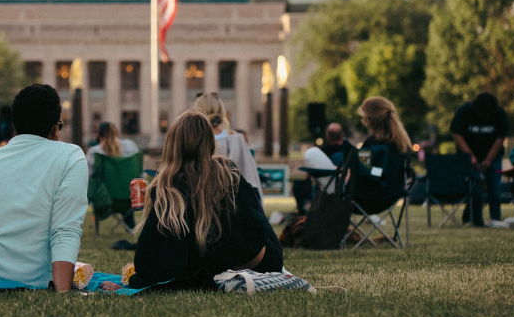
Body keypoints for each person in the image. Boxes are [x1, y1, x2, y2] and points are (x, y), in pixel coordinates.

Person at [122, 111, 283, 290]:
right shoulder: (228, 171)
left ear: (173, 145)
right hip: (264, 260)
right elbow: (256, 221)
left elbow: (154, 262)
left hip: (231, 264)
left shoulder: (169, 187)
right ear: (209, 141)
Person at [0, 84, 88, 292]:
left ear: (15, 125)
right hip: (36, 283)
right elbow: (65, 231)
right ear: (54, 127)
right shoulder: (70, 156)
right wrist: (63, 294)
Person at [450, 92, 508, 227]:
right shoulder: (465, 111)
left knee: (494, 186)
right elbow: (457, 134)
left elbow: (500, 138)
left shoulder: (500, 114)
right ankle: (474, 218)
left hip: (493, 157)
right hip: (468, 157)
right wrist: (470, 156)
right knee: (473, 188)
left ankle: (495, 218)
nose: (485, 116)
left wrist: (489, 159)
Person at [193, 93, 263, 201]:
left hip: (200, 202)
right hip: (233, 203)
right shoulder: (235, 140)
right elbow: (250, 178)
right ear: (221, 111)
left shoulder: (193, 141)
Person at [293, 123, 354, 213]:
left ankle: (302, 211)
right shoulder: (349, 151)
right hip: (347, 189)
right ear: (342, 134)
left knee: (298, 186)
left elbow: (308, 175)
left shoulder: (321, 153)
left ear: (327, 136)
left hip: (328, 189)